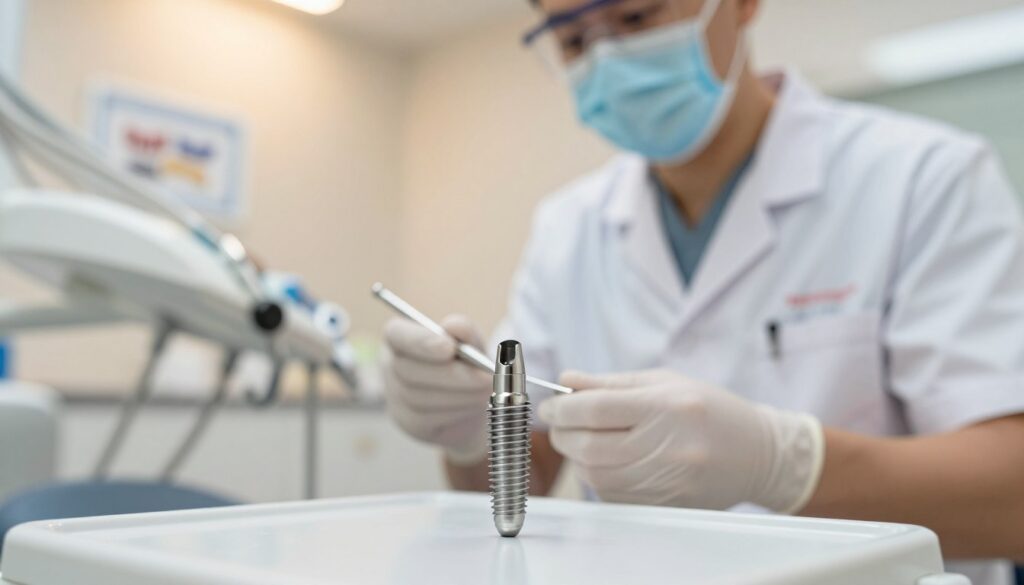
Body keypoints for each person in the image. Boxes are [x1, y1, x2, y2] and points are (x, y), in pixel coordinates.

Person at [380, 0, 1024, 582]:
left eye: (635, 18)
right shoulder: (566, 229)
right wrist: (470, 434)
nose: (608, 58)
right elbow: (524, 482)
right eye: (574, 41)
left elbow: (1010, 498)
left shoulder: (925, 177)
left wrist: (783, 464)